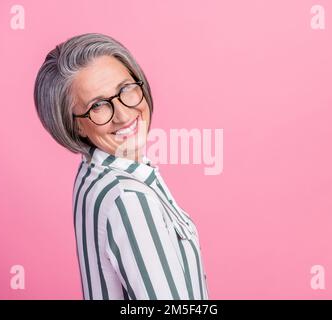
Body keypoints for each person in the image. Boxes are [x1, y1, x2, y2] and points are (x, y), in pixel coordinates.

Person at [33, 33, 208, 300]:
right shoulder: (129, 199)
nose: (124, 114)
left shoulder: (93, 171)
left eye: (126, 89)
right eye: (98, 106)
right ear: (75, 124)